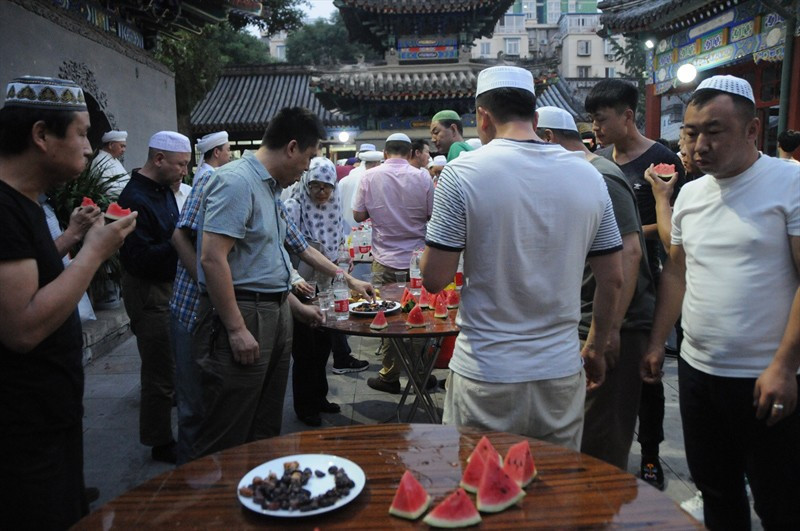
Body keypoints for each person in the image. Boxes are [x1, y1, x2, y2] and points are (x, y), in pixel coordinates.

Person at [421, 66, 624, 449]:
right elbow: (612, 277)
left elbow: (434, 278)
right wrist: (595, 345)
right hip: (560, 372)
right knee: (554, 498)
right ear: (535, 117)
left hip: (486, 373)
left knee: (481, 492)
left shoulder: (461, 173)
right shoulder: (588, 175)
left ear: (482, 117)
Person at [641, 75, 800, 530]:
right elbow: (676, 271)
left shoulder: (790, 183)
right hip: (698, 373)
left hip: (766, 377)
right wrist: (657, 343)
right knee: (717, 492)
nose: (699, 144)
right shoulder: (690, 192)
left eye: (714, 131)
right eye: (691, 132)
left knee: (780, 503)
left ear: (752, 131)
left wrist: (785, 366)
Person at [189, 107, 373, 460]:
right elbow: (213, 258)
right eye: (306, 158)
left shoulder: (270, 190)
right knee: (229, 427)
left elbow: (289, 249)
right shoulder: (236, 182)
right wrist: (236, 327)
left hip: (273, 311)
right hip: (244, 313)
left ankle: (258, 496)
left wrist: (340, 283)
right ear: (291, 147)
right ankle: (217, 505)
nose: (306, 169)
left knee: (264, 421)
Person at [0, 76, 137, 529]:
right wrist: (95, 252)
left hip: (49, 411)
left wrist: (73, 238)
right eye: (80, 133)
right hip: (22, 426)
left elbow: (28, 271)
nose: (88, 148)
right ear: (41, 135)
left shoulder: (24, 201)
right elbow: (21, 327)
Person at [536, 106, 655, 469]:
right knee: (584, 434)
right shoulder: (577, 174)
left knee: (599, 446)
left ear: (547, 138)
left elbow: (630, 253)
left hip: (615, 323)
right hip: (590, 319)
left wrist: (607, 332)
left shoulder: (599, 176)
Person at [586, 79, 685, 488]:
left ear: (628, 116)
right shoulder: (602, 159)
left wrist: (625, 233)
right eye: (592, 119)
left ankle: (650, 455)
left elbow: (676, 223)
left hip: (655, 277)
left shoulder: (663, 159)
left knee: (649, 375)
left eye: (602, 119)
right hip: (615, 277)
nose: (596, 127)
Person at [119, 131, 191, 464]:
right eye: (181, 164)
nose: (184, 172)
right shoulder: (134, 197)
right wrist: (180, 241)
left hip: (169, 284)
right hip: (149, 291)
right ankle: (159, 440)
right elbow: (139, 258)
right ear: (159, 159)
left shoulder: (163, 190)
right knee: (160, 369)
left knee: (173, 364)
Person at [284, 157, 369, 426]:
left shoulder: (332, 208)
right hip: (301, 288)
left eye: (327, 186)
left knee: (322, 348)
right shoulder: (293, 206)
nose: (322, 192)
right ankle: (304, 406)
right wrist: (294, 278)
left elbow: (339, 241)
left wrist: (345, 259)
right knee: (305, 351)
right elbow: (284, 249)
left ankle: (319, 397)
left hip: (329, 288)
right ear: (306, 184)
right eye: (316, 186)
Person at [353, 133, 434, 394]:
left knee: (387, 316)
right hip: (417, 260)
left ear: (385, 153)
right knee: (418, 315)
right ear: (410, 152)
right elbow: (432, 213)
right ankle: (421, 373)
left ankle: (389, 375)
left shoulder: (369, 176)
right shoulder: (422, 176)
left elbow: (358, 215)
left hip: (384, 260)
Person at [338, 149, 383, 237]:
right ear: (376, 164)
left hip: (345, 233)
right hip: (366, 235)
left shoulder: (345, 180)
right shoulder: (371, 180)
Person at [89, 129, 130, 195]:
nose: (124, 150)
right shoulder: (100, 161)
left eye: (124, 147)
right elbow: (109, 189)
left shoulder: (115, 160)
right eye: (121, 146)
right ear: (111, 145)